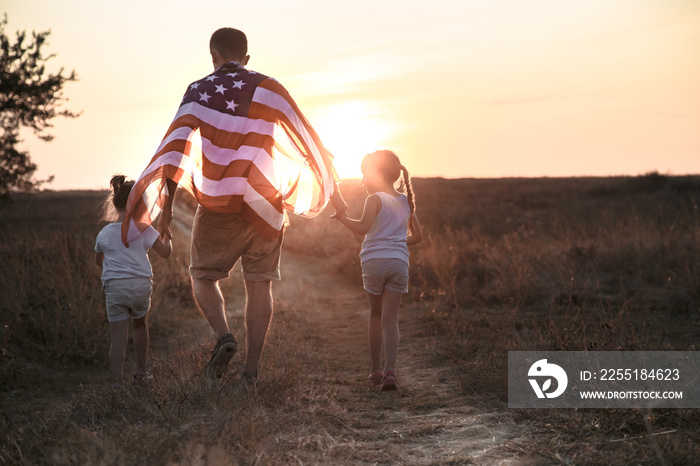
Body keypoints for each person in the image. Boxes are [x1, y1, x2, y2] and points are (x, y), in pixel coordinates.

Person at [122, 28, 347, 384]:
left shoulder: (197, 90)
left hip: (218, 204)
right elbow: (310, 139)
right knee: (260, 286)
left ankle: (224, 337)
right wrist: (337, 197)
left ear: (213, 56)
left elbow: (175, 148)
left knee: (202, 277)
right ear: (246, 57)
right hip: (266, 205)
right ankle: (252, 370)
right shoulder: (270, 88)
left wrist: (164, 213)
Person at [332, 150, 423, 391]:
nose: (362, 180)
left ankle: (375, 370)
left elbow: (362, 229)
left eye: (365, 174)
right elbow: (418, 236)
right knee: (390, 319)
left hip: (374, 262)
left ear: (378, 173)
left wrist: (341, 217)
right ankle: (391, 372)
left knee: (375, 315)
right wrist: (396, 244)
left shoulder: (374, 200)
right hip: (398, 263)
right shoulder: (406, 201)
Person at [95, 175, 172, 389]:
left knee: (118, 336)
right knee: (140, 325)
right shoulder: (144, 228)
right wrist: (166, 233)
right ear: (140, 204)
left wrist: (115, 268)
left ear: (114, 203)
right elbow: (165, 253)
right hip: (140, 284)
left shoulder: (104, 233)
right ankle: (140, 372)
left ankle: (117, 382)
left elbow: (97, 261)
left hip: (115, 286)